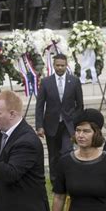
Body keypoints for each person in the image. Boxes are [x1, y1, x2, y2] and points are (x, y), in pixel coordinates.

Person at [35, 53, 84, 183]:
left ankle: (69, 178)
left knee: (67, 151)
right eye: (58, 65)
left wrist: (76, 122)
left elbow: (80, 105)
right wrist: (39, 126)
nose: (60, 68)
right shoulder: (46, 82)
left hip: (69, 125)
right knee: (53, 154)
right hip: (51, 125)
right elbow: (40, 106)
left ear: (66, 65)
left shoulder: (74, 81)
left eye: (62, 65)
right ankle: (55, 180)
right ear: (53, 65)